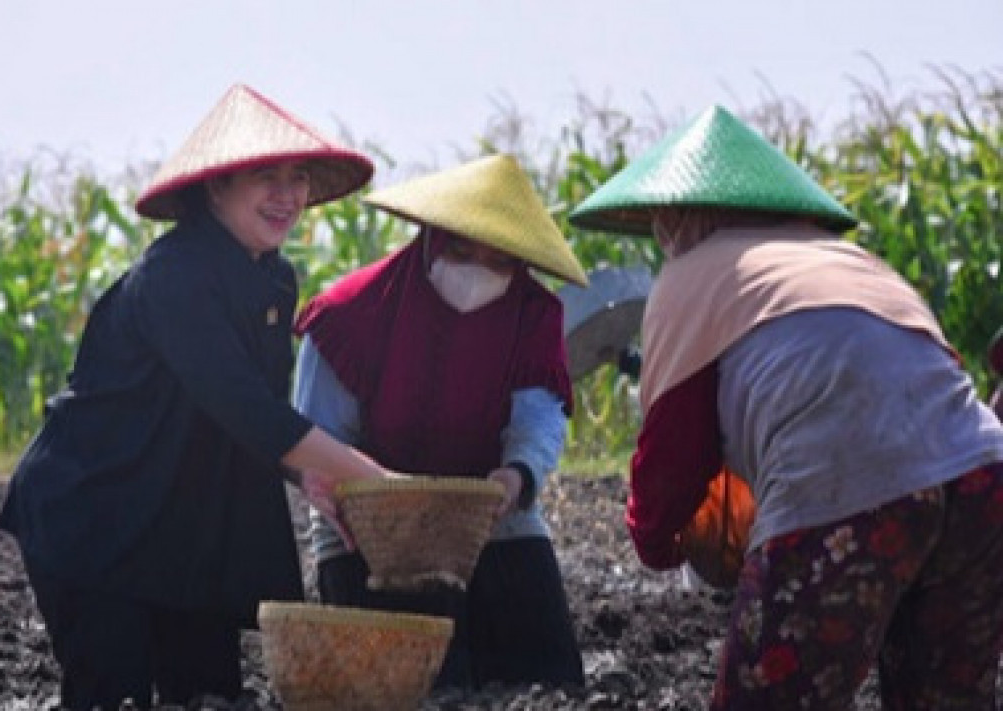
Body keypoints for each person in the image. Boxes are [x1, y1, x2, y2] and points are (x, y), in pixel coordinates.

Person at [569, 105, 1003, 708]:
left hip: (850, 499)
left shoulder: (691, 276)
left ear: (684, 216)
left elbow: (675, 450)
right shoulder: (855, 262)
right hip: (983, 480)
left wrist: (657, 540)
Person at [0, 84, 400, 711]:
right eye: (265, 176)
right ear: (216, 188)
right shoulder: (174, 276)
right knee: (114, 694)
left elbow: (260, 419)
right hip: (96, 516)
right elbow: (249, 408)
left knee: (210, 693)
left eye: (297, 178)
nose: (287, 195)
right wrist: (378, 480)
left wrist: (311, 477)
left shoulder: (274, 277)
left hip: (185, 526)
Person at [293, 154, 588, 690]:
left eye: (501, 259)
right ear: (430, 238)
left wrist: (518, 474)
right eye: (462, 248)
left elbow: (538, 418)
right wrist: (374, 502)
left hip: (491, 515)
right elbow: (319, 440)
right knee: (410, 687)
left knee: (547, 680)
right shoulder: (349, 314)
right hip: (369, 524)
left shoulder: (534, 315)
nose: (478, 267)